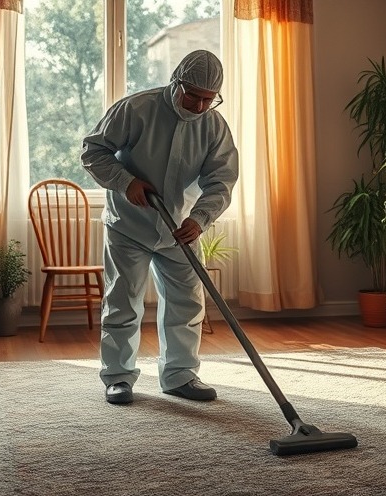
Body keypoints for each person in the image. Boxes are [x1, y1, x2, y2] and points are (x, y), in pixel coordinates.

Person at [81, 50, 239, 405]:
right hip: (129, 224)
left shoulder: (213, 126)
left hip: (179, 228)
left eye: (207, 99)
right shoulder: (135, 109)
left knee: (187, 301)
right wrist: (126, 181)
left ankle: (180, 375)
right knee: (123, 301)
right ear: (176, 81)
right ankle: (118, 377)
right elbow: (93, 151)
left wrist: (199, 219)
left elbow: (221, 180)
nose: (199, 106)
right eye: (193, 96)